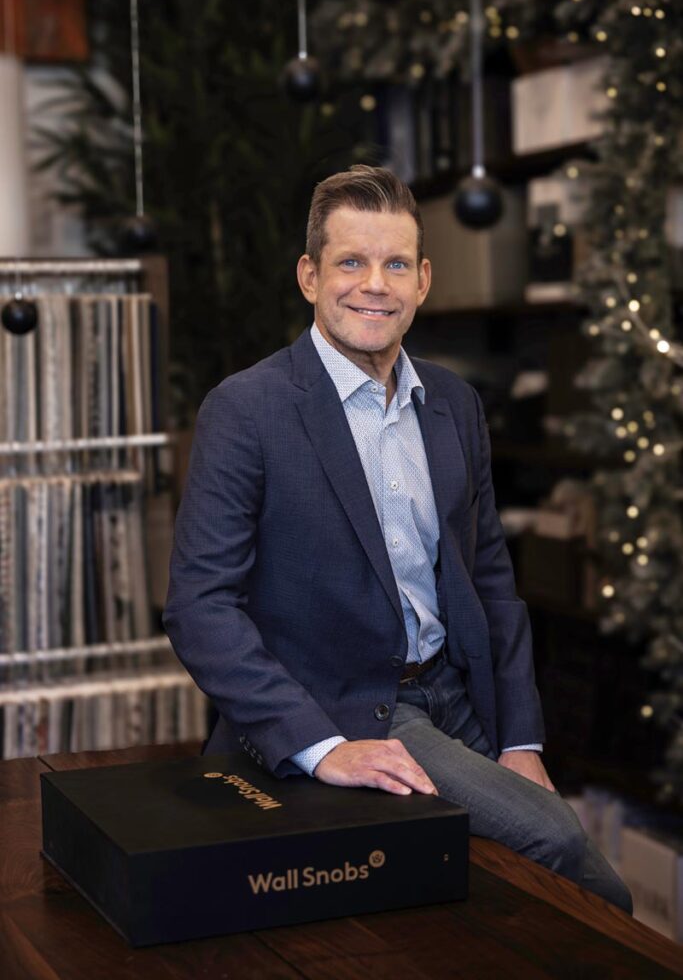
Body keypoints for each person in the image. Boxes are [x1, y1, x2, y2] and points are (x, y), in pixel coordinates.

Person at [163, 164, 632, 913]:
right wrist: (323, 748)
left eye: (393, 265)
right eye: (350, 262)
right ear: (309, 276)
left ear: (422, 281)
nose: (372, 285)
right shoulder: (247, 410)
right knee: (564, 851)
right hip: (348, 707)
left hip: (458, 696)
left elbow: (488, 580)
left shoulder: (453, 402)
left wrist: (521, 739)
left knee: (508, 889)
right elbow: (199, 605)